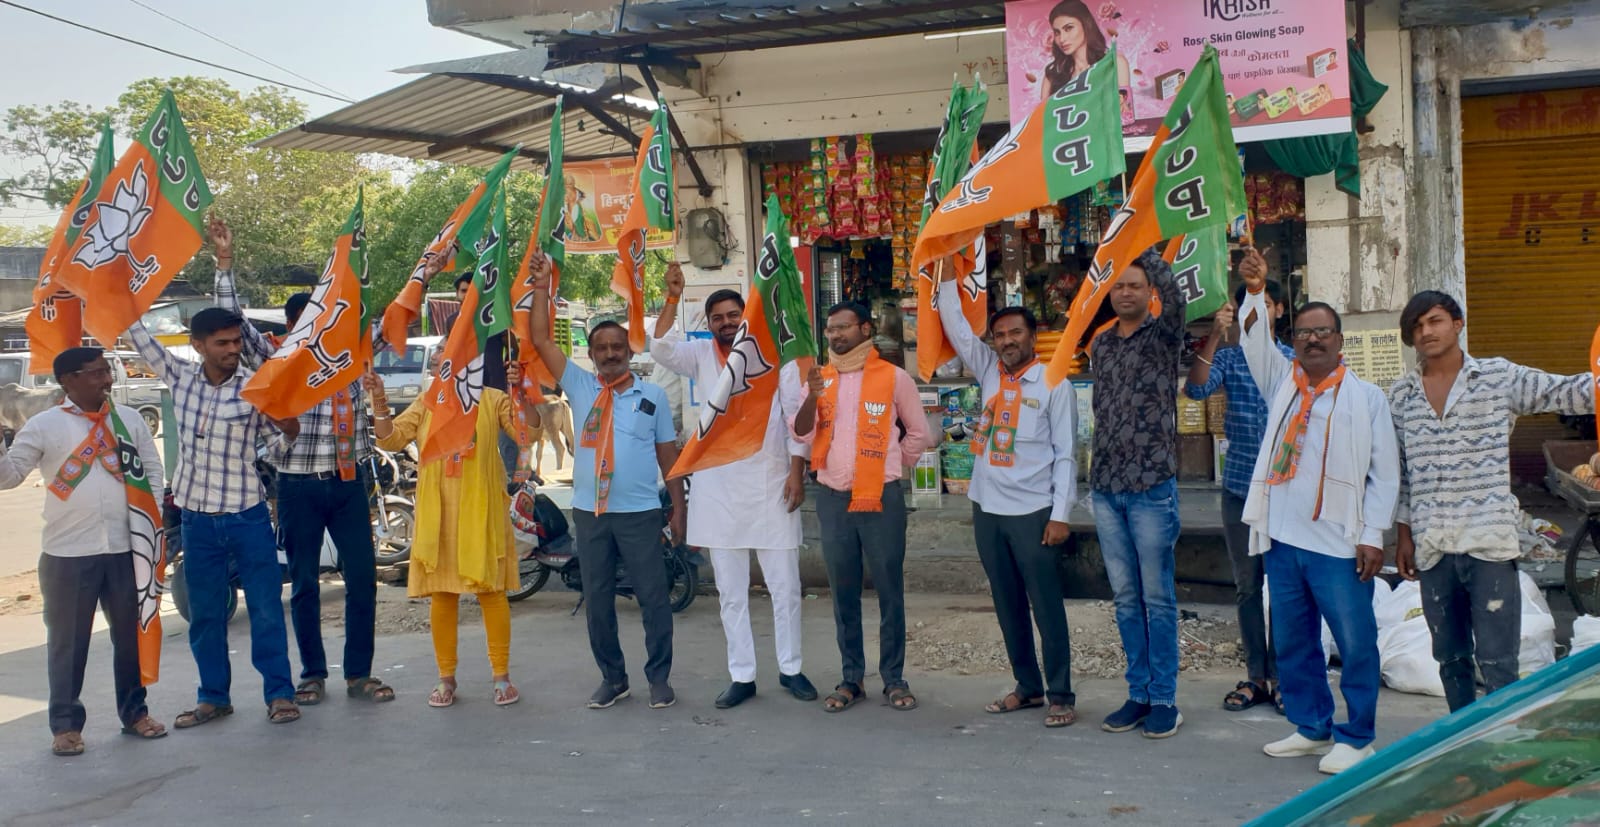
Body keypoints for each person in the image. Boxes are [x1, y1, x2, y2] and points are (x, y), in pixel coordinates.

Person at [209, 220, 393, 708]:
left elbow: (394, 318)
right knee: (305, 584)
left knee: (362, 581)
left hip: (349, 484)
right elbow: (234, 321)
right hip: (297, 487)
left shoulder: (351, 358)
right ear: (295, 328)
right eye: (313, 322)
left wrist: (427, 270)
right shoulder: (277, 360)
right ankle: (312, 674)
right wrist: (224, 263)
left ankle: (359, 673)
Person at [1236, 248, 1399, 775]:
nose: (1312, 339)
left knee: (1355, 642)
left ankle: (1358, 737)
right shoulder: (1283, 382)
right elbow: (1255, 341)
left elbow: (1384, 475)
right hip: (1283, 538)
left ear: (1339, 340)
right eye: (1304, 332)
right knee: (1293, 640)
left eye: (1322, 331)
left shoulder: (1366, 398)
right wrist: (1256, 291)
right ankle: (1311, 727)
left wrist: (1373, 535)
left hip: (1338, 543)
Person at [1390, 290, 1592, 712]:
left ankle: (1501, 743)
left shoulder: (1498, 378)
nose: (1426, 332)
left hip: (1489, 546)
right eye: (1417, 326)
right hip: (1433, 548)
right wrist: (1404, 534)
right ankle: (1461, 740)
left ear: (1457, 323)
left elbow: (1569, 391)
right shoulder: (1402, 396)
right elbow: (1404, 472)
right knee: (1450, 660)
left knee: (1499, 663)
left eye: (1435, 321)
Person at [649, 265, 817, 708]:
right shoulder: (700, 356)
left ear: (746, 318)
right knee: (730, 592)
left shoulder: (775, 358)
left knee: (786, 588)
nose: (726, 322)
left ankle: (791, 669)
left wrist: (797, 471)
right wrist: (672, 298)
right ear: (709, 324)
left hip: (771, 485)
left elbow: (796, 420)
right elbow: (658, 347)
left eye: (733, 315)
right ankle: (742, 675)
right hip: (718, 490)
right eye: (717, 317)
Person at [525, 251, 687, 711]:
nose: (611, 353)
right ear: (593, 354)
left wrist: (679, 509)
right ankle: (613, 679)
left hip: (640, 515)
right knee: (597, 602)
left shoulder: (652, 396)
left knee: (654, 598)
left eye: (618, 346)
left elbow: (668, 455)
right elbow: (540, 338)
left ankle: (659, 678)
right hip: (591, 515)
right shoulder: (581, 386)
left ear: (629, 351)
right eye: (602, 348)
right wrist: (542, 287)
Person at [128, 306, 301, 727]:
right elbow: (139, 339)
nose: (232, 349)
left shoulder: (255, 387)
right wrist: (116, 292)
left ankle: (280, 694)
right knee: (205, 614)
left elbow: (277, 449)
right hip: (196, 520)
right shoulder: (180, 377)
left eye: (236, 341)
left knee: (265, 610)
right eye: (222, 343)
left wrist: (289, 430)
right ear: (198, 345)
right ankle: (213, 697)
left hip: (247, 516)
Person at [0, 348, 168, 755]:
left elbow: (151, 470)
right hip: (68, 553)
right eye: (96, 373)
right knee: (68, 644)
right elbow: (10, 477)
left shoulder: (128, 421)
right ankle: (65, 726)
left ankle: (135, 714)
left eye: (106, 371)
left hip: (127, 549)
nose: (107, 379)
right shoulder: (44, 425)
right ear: (68, 380)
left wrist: (150, 523)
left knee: (130, 638)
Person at [935, 271, 1080, 728]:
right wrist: (944, 274)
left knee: (1046, 606)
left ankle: (1061, 694)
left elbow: (1066, 455)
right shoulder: (989, 371)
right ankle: (1028, 687)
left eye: (1015, 333)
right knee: (1007, 603)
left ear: (1033, 337)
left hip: (1033, 512)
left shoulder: (1054, 383)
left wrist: (1060, 515)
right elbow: (957, 328)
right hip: (987, 510)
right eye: (999, 335)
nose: (1007, 341)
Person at [369, 351, 537, 707]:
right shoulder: (427, 402)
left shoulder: (493, 399)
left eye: (457, 359)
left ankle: (501, 676)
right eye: (440, 362)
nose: (447, 367)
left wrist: (521, 392)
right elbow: (390, 440)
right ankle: (446, 677)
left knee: (491, 592)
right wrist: (379, 398)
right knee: (443, 595)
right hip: (440, 514)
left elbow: (528, 434)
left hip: (482, 512)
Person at [792, 302, 932, 713]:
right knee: (843, 593)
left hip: (881, 499)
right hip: (834, 499)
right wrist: (811, 396)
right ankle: (851, 678)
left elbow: (919, 433)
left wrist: (893, 467)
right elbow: (800, 433)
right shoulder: (820, 378)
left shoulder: (894, 377)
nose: (835, 335)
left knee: (890, 590)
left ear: (865, 329)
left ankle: (894, 678)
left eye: (843, 327)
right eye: (830, 329)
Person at [1183, 279, 1294, 715]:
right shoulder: (1230, 358)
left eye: (1263, 303)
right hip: (1239, 490)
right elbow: (1195, 389)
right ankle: (1257, 676)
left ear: (1278, 310)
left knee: (1283, 587)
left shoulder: (1293, 362)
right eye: (1246, 305)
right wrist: (1215, 334)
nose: (1254, 312)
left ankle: (1283, 678)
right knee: (1248, 587)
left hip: (1284, 494)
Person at [1089, 248, 1185, 738]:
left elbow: (1176, 297)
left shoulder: (1164, 336)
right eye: (1119, 285)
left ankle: (1165, 697)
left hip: (1151, 487)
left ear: (1150, 293)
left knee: (1158, 597)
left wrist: (1137, 242)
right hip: (1107, 487)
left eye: (1135, 285)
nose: (1125, 292)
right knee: (1126, 599)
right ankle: (1138, 693)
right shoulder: (1101, 345)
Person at [454, 271, 518, 481]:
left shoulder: (495, 321)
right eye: (463, 291)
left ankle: (511, 484)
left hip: (496, 392)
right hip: (463, 396)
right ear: (457, 294)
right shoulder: (452, 322)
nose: (467, 295)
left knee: (507, 442)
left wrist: (510, 364)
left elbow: (513, 347)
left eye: (471, 291)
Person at [1036, 0, 1131, 104]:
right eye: (1057, 32)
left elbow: (1125, 111)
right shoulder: (1052, 76)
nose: (1062, 39)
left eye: (1069, 28)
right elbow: (1043, 114)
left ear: (1086, 25)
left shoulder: (1114, 63)